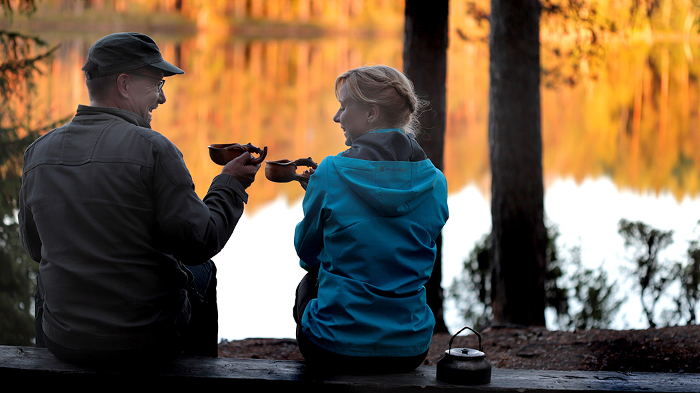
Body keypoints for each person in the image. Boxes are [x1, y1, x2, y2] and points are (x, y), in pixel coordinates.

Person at [18, 32, 260, 367]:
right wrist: (230, 184)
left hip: (65, 340)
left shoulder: (38, 153)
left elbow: (35, 248)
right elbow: (200, 241)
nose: (161, 98)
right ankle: (204, 373)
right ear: (124, 84)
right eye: (157, 83)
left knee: (50, 279)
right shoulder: (154, 148)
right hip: (146, 342)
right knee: (201, 269)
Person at [292, 65, 449, 374]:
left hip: (331, 345)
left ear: (371, 113)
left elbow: (307, 253)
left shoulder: (329, 172)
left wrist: (318, 195)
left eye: (344, 106)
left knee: (309, 281)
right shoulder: (436, 182)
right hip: (411, 347)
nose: (337, 118)